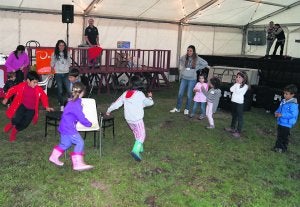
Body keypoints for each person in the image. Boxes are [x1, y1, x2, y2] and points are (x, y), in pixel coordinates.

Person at [106, 76, 154, 162]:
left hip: (128, 119)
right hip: (137, 119)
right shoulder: (140, 94)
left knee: (136, 132)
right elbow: (149, 103)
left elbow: (116, 103)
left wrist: (109, 110)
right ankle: (136, 150)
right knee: (142, 134)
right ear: (139, 83)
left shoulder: (125, 93)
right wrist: (150, 97)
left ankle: (140, 148)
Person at [49, 82, 94, 171]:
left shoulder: (73, 101)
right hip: (69, 128)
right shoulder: (75, 104)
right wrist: (88, 123)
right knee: (80, 142)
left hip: (64, 126)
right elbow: (80, 116)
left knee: (66, 143)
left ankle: (54, 157)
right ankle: (78, 164)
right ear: (82, 92)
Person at [2, 71, 54, 142]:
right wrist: (6, 97)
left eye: (37, 82)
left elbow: (44, 97)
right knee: (17, 119)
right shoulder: (22, 86)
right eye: (34, 82)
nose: (36, 84)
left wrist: (47, 106)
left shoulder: (38, 89)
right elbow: (12, 90)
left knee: (25, 124)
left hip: (31, 110)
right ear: (28, 81)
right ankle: (11, 124)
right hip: (22, 106)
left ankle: (14, 131)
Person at [170, 45, 208, 115]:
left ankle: (187, 109)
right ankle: (178, 108)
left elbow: (205, 63)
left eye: (190, 51)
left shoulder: (197, 58)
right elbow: (180, 60)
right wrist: (184, 67)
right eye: (188, 50)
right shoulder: (185, 57)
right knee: (180, 94)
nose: (189, 52)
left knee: (189, 95)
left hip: (192, 79)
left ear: (193, 51)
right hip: (184, 78)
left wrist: (197, 68)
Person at [272, 84, 298, 153]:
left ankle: (282, 148)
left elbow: (293, 114)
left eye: (287, 94)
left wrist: (282, 115)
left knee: (283, 137)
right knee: (279, 135)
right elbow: (280, 108)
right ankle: (278, 147)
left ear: (292, 95)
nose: (285, 95)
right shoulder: (284, 101)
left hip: (287, 124)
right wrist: (276, 112)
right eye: (284, 93)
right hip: (281, 122)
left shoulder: (293, 105)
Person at [224, 71, 249, 138]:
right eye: (237, 77)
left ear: (244, 79)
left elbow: (238, 91)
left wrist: (237, 85)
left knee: (240, 117)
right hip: (233, 102)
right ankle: (232, 128)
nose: (237, 78)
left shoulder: (245, 86)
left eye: (239, 77)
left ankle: (238, 131)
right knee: (234, 115)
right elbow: (231, 89)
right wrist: (236, 85)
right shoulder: (236, 84)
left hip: (239, 104)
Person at [51, 40, 71, 111]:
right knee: (60, 90)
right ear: (57, 46)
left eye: (63, 45)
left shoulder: (67, 53)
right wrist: (52, 72)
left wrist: (67, 67)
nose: (62, 47)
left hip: (66, 73)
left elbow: (69, 62)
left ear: (65, 46)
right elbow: (52, 64)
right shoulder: (54, 54)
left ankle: (69, 103)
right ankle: (62, 105)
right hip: (58, 74)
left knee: (69, 89)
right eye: (60, 45)